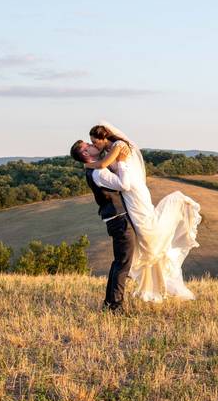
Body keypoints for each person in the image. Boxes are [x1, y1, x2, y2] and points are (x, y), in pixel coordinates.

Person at [83, 121, 202, 302]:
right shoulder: (109, 150)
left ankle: (175, 206)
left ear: (104, 137)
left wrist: (87, 166)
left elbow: (103, 165)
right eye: (91, 144)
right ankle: (117, 298)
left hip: (133, 191)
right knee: (143, 236)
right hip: (128, 193)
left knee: (147, 229)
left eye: (94, 141)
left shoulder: (118, 146)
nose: (94, 145)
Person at [70, 140, 136, 312]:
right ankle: (115, 306)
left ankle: (109, 303)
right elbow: (124, 185)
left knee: (118, 263)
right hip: (119, 220)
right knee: (123, 264)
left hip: (115, 219)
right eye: (88, 145)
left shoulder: (94, 170)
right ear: (85, 153)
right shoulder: (98, 172)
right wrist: (121, 161)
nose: (94, 145)